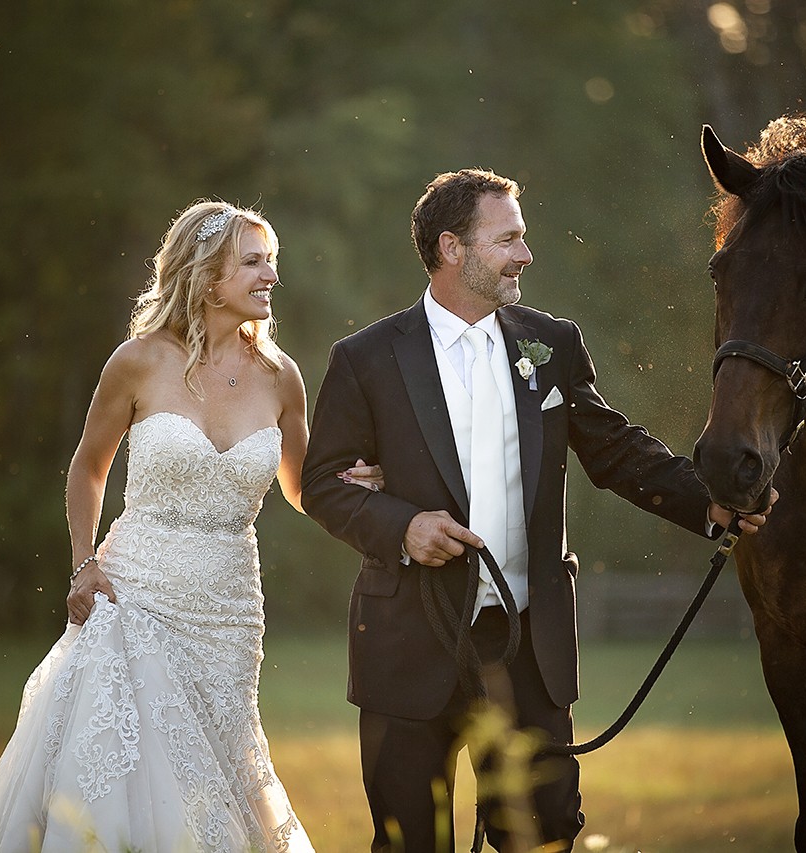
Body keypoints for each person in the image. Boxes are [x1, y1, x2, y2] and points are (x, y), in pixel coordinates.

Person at [300, 169, 775, 852]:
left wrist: (715, 504)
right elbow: (322, 482)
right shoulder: (366, 358)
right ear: (452, 248)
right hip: (407, 644)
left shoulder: (550, 343)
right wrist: (403, 526)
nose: (526, 254)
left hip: (529, 647)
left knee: (546, 835)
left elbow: (615, 451)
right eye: (510, 239)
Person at [0, 200, 379, 852]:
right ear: (208, 278)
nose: (271, 275)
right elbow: (88, 468)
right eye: (254, 262)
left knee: (216, 766)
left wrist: (361, 485)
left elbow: (303, 487)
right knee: (124, 773)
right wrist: (83, 560)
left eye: (272, 261)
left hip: (230, 606)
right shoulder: (138, 361)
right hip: (135, 592)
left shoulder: (281, 376)